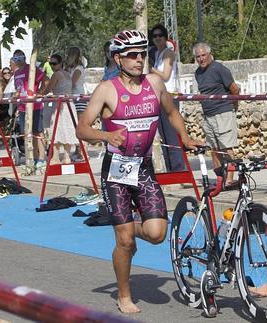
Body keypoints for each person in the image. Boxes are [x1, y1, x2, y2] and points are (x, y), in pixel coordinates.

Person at [76, 29, 203, 314]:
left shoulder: (155, 83)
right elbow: (82, 128)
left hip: (144, 168)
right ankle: (124, 294)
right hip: (117, 171)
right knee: (124, 241)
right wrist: (106, 136)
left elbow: (171, 113)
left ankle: (126, 226)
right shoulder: (107, 89)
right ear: (118, 58)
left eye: (142, 54)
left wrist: (185, 137)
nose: (138, 60)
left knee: (158, 234)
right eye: (132, 55)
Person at [193, 42, 240, 185]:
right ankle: (221, 178)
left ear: (209, 54)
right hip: (208, 115)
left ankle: (230, 179)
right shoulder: (198, 73)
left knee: (226, 147)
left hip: (223, 112)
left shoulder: (219, 69)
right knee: (213, 148)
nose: (201, 59)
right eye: (198, 56)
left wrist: (233, 107)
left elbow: (234, 89)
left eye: (203, 55)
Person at [149, 23, 185, 172]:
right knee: (164, 137)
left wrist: (149, 68)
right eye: (155, 36)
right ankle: (171, 170)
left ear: (165, 37)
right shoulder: (156, 54)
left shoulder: (168, 53)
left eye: (160, 35)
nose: (157, 38)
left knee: (172, 136)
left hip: (169, 95)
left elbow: (165, 75)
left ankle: (179, 170)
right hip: (159, 96)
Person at [12, 49, 49, 167]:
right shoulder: (16, 73)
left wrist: (41, 92)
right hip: (22, 107)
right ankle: (34, 157)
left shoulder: (31, 69)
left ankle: (42, 158)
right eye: (15, 58)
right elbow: (18, 88)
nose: (18, 60)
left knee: (38, 131)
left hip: (35, 106)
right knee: (27, 133)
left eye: (20, 58)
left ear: (24, 58)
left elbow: (46, 79)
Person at [40, 54, 79, 164]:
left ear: (60, 63)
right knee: (68, 129)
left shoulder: (56, 74)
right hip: (69, 104)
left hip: (60, 105)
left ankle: (56, 157)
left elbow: (48, 89)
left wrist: (39, 93)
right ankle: (66, 156)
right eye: (50, 63)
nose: (52, 66)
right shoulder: (67, 74)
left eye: (54, 63)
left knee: (56, 129)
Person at [67, 46, 87, 162]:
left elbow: (72, 83)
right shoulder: (71, 68)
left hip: (78, 98)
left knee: (80, 125)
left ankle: (82, 152)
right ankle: (78, 151)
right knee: (75, 126)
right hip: (73, 98)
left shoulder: (78, 68)